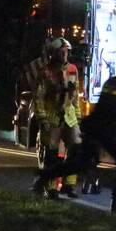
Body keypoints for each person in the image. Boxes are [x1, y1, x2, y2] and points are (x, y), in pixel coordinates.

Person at [34, 53, 116, 213]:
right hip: (100, 129)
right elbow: (114, 107)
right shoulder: (115, 84)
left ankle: (45, 176)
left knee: (81, 163)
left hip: (103, 130)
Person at [34, 42, 82, 199]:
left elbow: (75, 96)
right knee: (52, 153)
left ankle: (69, 185)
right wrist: (42, 117)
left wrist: (78, 116)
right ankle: (51, 187)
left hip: (69, 116)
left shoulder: (72, 70)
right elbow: (39, 96)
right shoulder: (46, 72)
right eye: (61, 52)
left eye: (66, 51)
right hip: (52, 115)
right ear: (53, 53)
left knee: (76, 147)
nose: (64, 54)